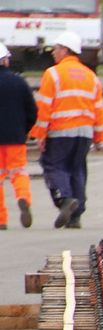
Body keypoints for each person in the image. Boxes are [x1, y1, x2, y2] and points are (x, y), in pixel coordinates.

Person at [29, 36, 103, 229]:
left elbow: (45, 107)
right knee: (77, 169)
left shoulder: (53, 74)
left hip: (60, 130)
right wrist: (100, 137)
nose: (53, 52)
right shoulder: (90, 76)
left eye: (55, 48)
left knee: (54, 166)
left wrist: (40, 134)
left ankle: (64, 199)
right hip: (84, 133)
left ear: (65, 50)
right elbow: (99, 109)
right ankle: (75, 216)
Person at [0, 48, 34, 230]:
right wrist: (25, 129)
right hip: (16, 137)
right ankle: (23, 198)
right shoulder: (19, 82)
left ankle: (1, 220)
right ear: (5, 60)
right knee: (18, 172)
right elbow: (32, 111)